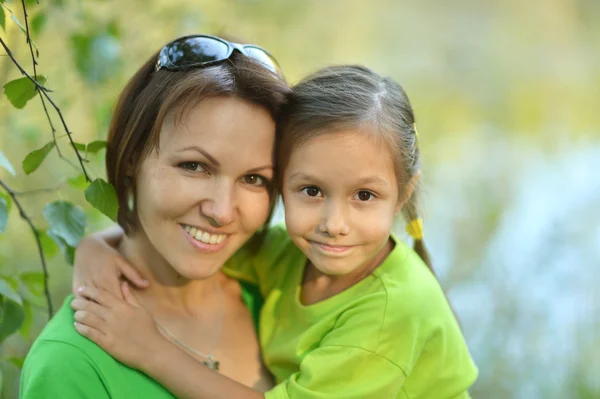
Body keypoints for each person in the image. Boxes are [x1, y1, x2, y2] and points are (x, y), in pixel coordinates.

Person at [69, 65, 478, 398]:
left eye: (365, 195)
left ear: (403, 193)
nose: (333, 225)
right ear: (281, 184)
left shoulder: (393, 312)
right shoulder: (285, 254)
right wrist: (94, 246)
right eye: (312, 191)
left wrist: (151, 350)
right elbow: (191, 242)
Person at [19, 34, 291, 398]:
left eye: (254, 178)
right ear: (132, 156)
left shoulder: (285, 302)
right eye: (194, 166)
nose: (222, 212)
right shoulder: (71, 364)